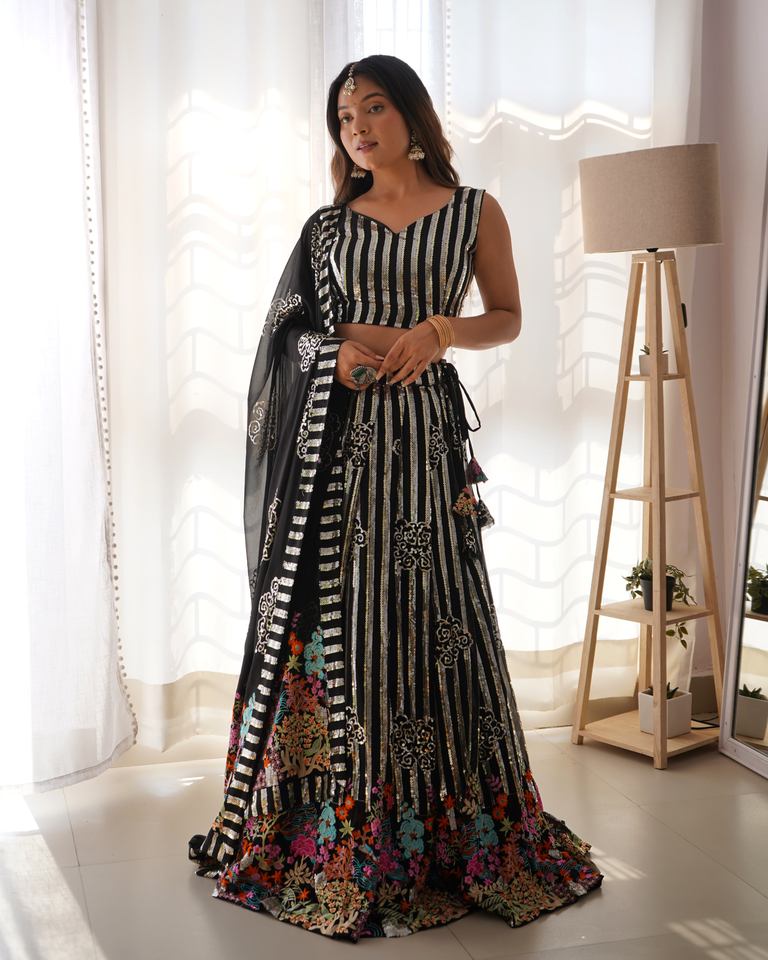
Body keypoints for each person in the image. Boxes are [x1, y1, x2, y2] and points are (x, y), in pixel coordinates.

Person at [188, 54, 603, 941]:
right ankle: (341, 823)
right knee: (350, 621)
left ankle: (449, 827)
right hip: (337, 451)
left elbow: (509, 315)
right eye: (344, 119)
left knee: (437, 614)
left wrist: (442, 330)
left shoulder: (473, 211)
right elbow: (286, 334)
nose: (358, 129)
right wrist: (333, 355)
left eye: (373, 108)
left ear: (411, 115)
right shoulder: (328, 229)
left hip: (424, 445)